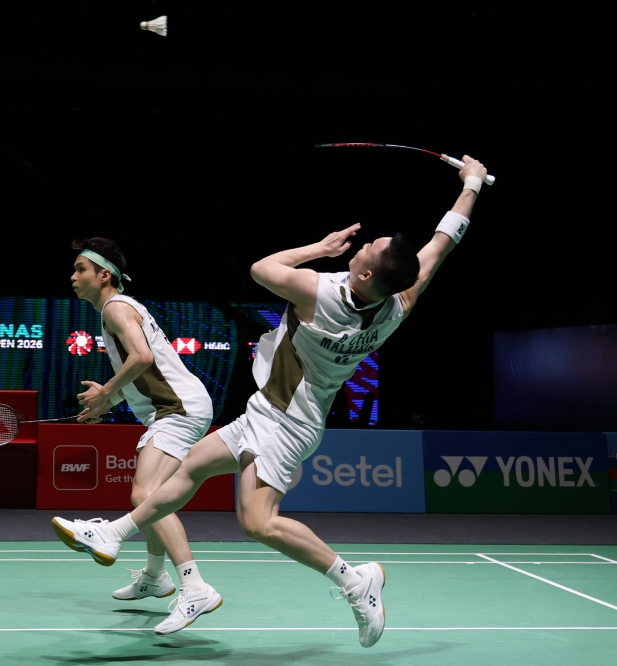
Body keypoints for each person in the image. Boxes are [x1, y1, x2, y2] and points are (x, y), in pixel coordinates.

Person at [53, 157, 491, 645]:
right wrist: (472, 185)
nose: (364, 244)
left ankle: (354, 579)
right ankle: (118, 537)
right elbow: (443, 241)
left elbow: (262, 269)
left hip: (287, 425)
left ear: (366, 274)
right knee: (187, 470)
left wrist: (320, 248)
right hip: (270, 411)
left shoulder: (321, 293)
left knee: (258, 523)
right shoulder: (399, 304)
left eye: (369, 247)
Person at [56, 237, 220, 635]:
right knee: (154, 497)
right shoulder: (115, 310)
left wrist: (107, 392)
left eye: (81, 269)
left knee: (144, 495)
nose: (73, 276)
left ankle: (194, 586)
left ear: (104, 275)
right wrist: (104, 404)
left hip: (178, 409)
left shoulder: (115, 307)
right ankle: (154, 576)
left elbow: (142, 358)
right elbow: (145, 370)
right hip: (172, 408)